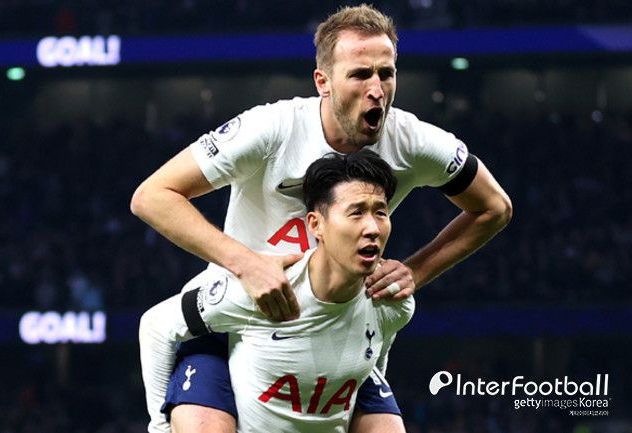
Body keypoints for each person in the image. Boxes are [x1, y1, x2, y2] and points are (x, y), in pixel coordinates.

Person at [131, 4, 512, 433]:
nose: (377, 90)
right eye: (360, 74)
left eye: (386, 74)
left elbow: (494, 208)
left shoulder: (413, 141)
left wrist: (415, 272)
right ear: (323, 82)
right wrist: (246, 264)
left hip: (336, 322)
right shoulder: (271, 129)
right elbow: (152, 196)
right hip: (239, 315)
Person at [141, 150, 415, 433]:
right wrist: (160, 429)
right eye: (356, 212)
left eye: (380, 212)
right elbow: (156, 326)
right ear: (316, 225)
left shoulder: (392, 301)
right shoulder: (267, 290)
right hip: (221, 356)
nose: (372, 228)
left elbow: (376, 349)